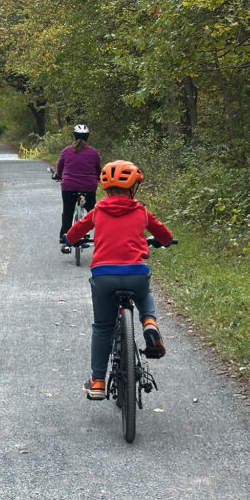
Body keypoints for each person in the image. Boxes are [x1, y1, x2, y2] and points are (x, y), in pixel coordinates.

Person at [65, 159, 174, 400]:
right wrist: (165, 241)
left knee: (103, 327)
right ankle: (150, 323)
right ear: (133, 188)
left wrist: (69, 240)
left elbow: (75, 233)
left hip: (104, 276)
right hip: (135, 273)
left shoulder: (98, 211)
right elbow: (164, 235)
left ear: (105, 188)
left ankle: (97, 381)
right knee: (144, 290)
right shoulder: (141, 211)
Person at [52, 123, 101, 253]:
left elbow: (60, 167)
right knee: (91, 212)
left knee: (67, 213)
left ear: (74, 136)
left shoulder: (67, 151)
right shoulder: (93, 152)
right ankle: (91, 235)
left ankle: (65, 240)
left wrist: (57, 175)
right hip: (89, 187)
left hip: (69, 186)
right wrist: (99, 178)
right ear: (87, 137)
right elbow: (98, 170)